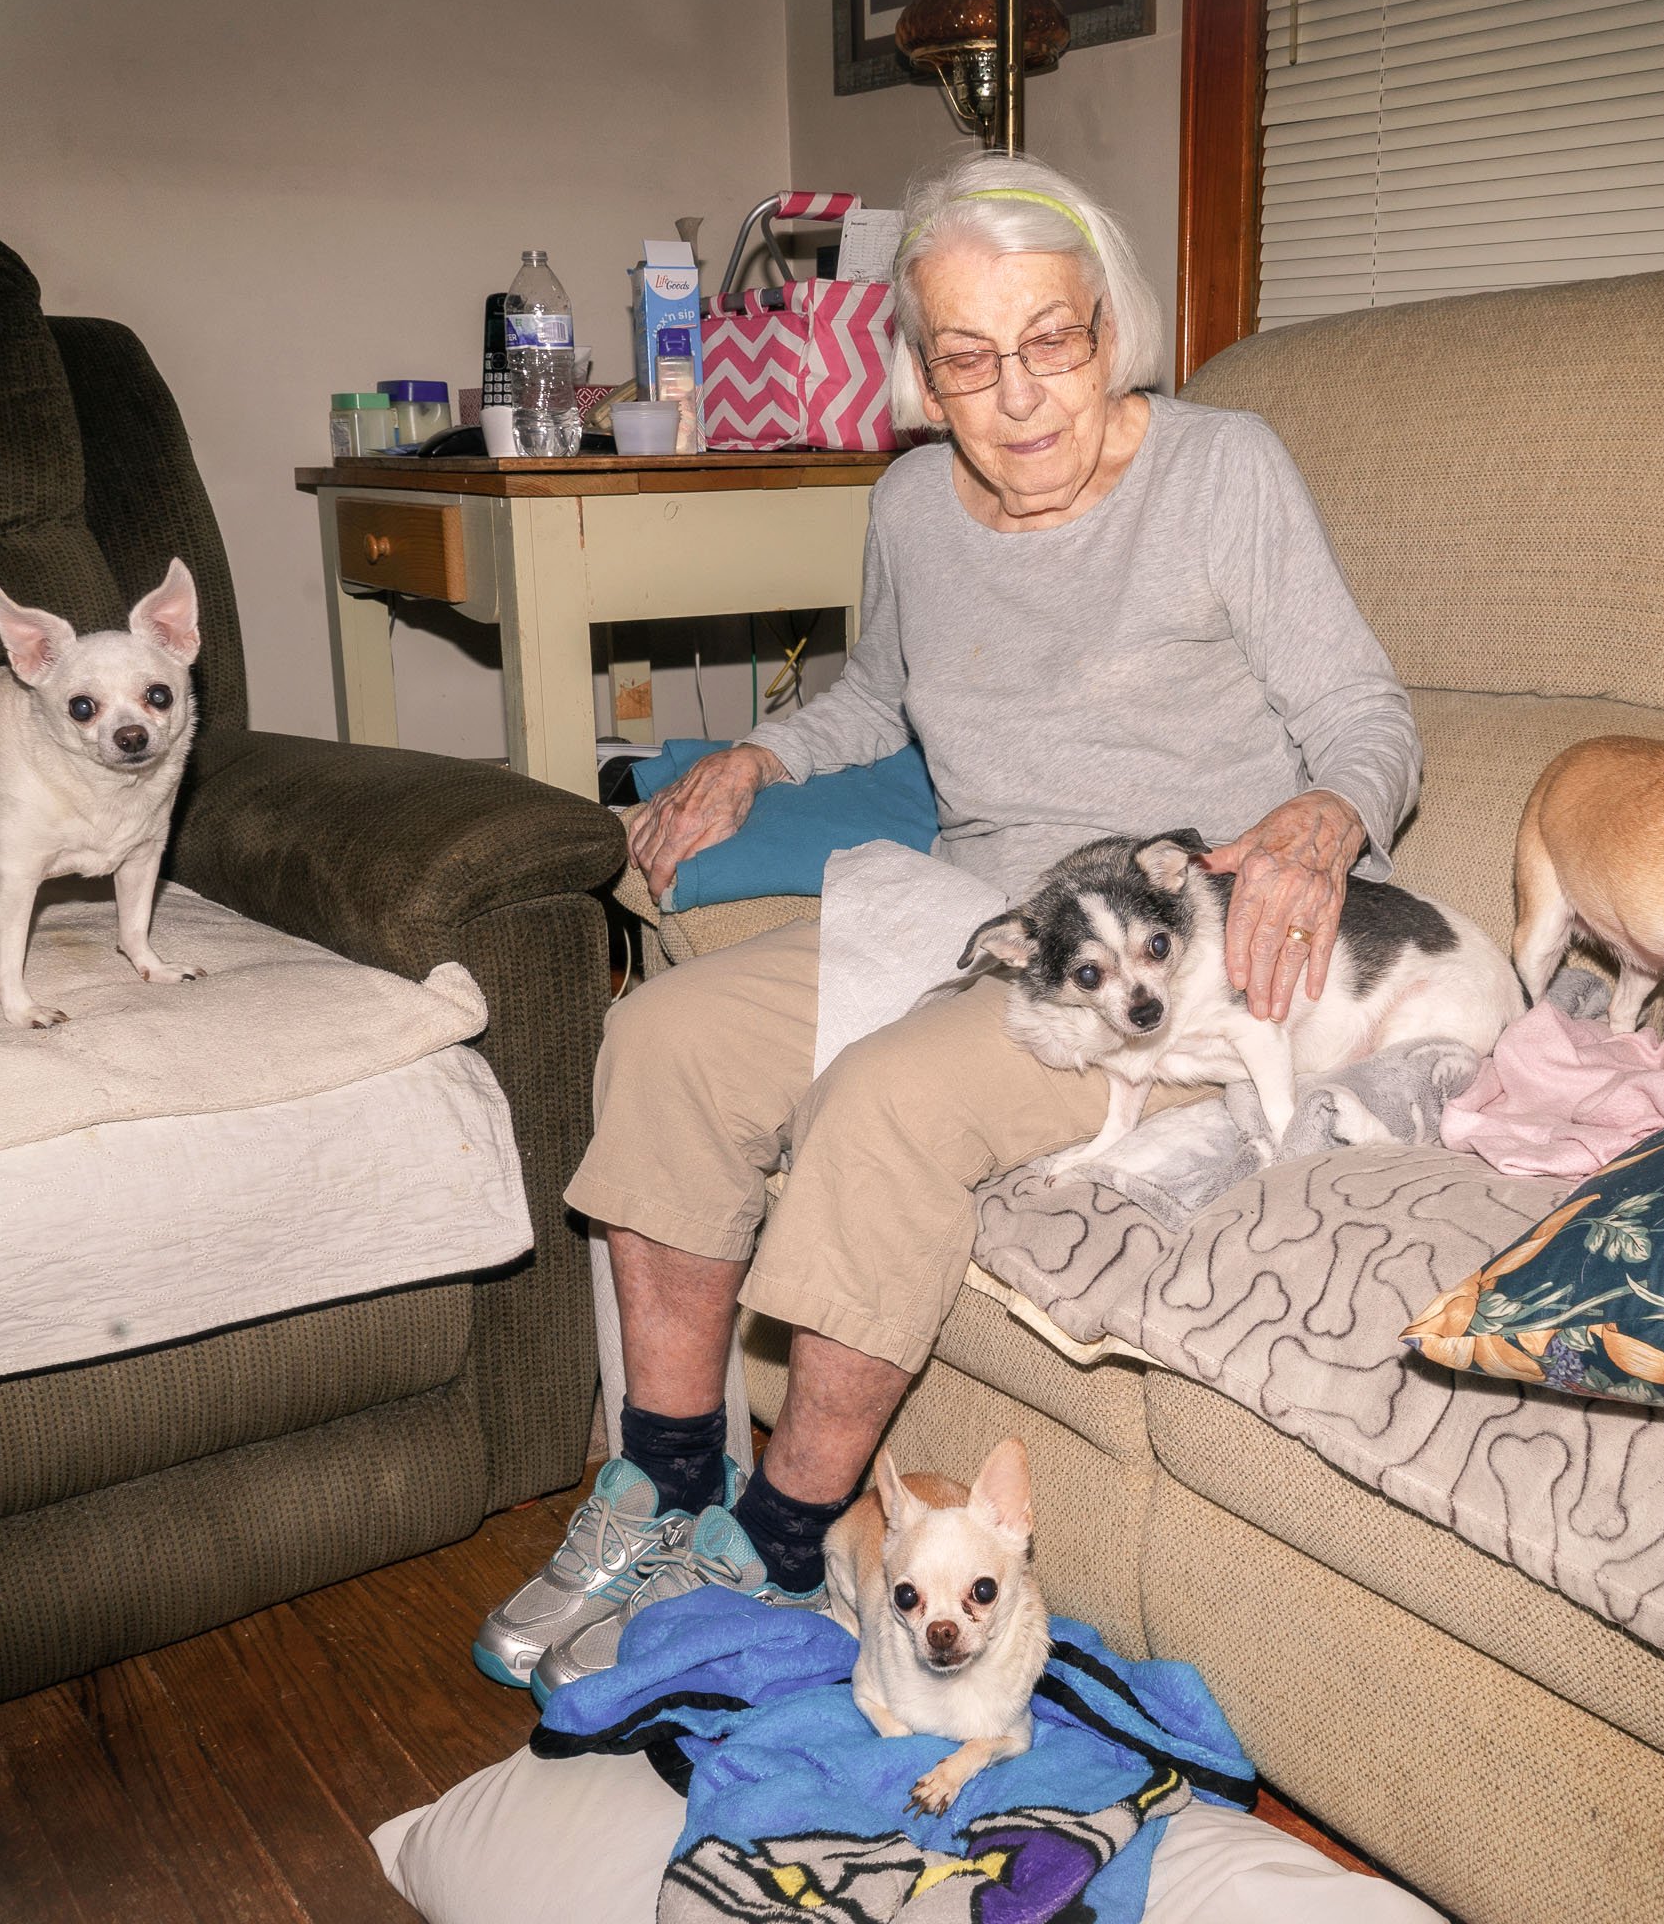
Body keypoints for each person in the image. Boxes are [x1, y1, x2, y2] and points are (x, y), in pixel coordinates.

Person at [477, 150, 1421, 1697]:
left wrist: (1328, 823)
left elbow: (1363, 714)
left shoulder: (1223, 471)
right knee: (663, 1037)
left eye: (1052, 341)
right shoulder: (916, 500)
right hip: (977, 907)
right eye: (970, 359)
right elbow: (879, 694)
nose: (1020, 397)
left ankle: (783, 1548)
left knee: (885, 1101)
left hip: (1157, 951)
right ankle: (662, 1486)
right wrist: (759, 754)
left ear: (1111, 329)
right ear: (919, 372)